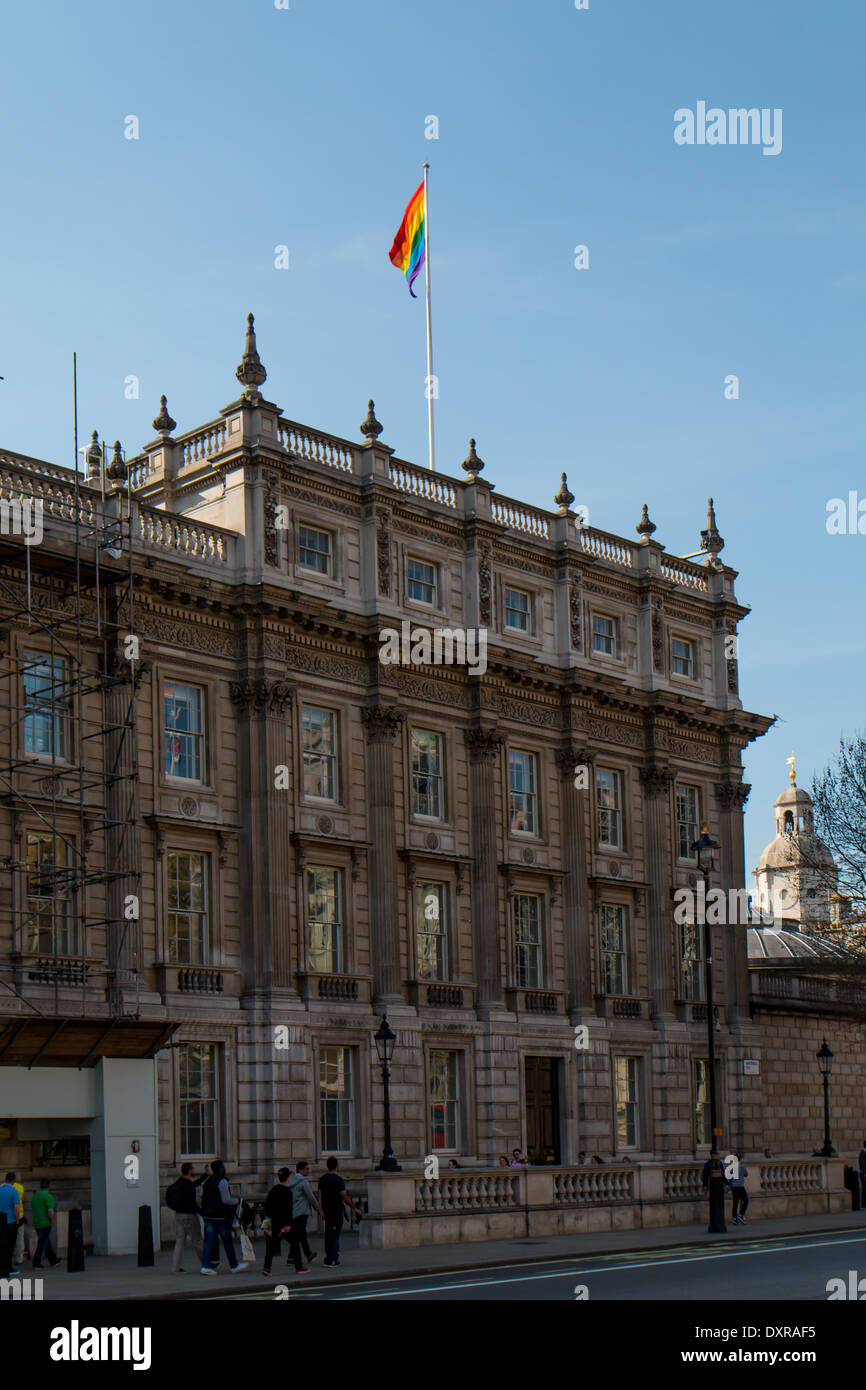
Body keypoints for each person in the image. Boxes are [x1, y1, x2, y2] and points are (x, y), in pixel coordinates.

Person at [199, 1160, 248, 1275]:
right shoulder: (222, 1181)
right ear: (221, 1169)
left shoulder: (207, 1181)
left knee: (208, 1242)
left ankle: (205, 1266)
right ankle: (234, 1265)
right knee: (227, 1241)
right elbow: (226, 1200)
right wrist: (237, 1201)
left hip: (208, 1215)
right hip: (220, 1216)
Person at [317, 1157, 361, 1267]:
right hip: (336, 1210)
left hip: (327, 1210)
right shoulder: (338, 1180)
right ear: (337, 1166)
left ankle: (328, 1257)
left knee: (328, 1234)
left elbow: (320, 1196)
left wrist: (321, 1210)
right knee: (335, 1235)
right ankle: (333, 1258)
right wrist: (354, 1207)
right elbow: (345, 1197)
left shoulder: (322, 1179)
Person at [167, 1163, 203, 1273]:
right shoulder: (190, 1185)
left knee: (179, 1241)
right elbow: (193, 1201)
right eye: (193, 1168)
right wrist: (201, 1211)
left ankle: (175, 1267)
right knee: (197, 1241)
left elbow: (195, 1183)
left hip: (179, 1214)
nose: (194, 1170)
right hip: (190, 1215)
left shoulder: (178, 1183)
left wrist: (205, 1176)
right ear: (189, 1171)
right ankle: (206, 1264)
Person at [262, 1167, 293, 1277]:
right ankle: (299, 1266)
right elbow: (289, 1210)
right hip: (283, 1224)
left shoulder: (273, 1190)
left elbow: (267, 1206)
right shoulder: (288, 1192)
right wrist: (288, 1224)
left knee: (271, 1247)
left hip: (274, 1222)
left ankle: (266, 1268)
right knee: (294, 1242)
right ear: (288, 1178)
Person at [287, 1161, 317, 1273]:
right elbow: (311, 1198)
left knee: (298, 1234)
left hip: (293, 1212)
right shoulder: (303, 1182)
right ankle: (303, 1256)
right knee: (299, 1235)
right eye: (307, 1169)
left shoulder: (291, 1181)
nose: (308, 1171)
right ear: (301, 1170)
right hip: (302, 1212)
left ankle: (294, 1256)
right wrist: (319, 1210)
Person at [31, 1179, 60, 1269]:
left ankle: (53, 1260)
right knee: (42, 1243)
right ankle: (36, 1262)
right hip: (45, 1222)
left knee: (46, 1242)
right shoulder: (48, 1197)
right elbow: (50, 1211)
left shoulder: (35, 1196)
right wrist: (52, 1221)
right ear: (48, 1186)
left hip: (37, 1222)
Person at [0, 1172, 20, 1277]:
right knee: (10, 1245)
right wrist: (17, 1220)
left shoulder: (0, 1189)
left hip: (0, 1221)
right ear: (13, 1180)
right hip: (10, 1221)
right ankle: (8, 1267)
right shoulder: (14, 1191)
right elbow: (16, 1208)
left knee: (1, 1245)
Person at [729, 1158, 749, 1224]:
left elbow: (730, 1176)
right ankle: (741, 1215)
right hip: (740, 1186)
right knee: (746, 1200)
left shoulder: (733, 1167)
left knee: (735, 1203)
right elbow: (746, 1174)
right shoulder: (741, 1167)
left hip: (734, 1187)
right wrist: (743, 1166)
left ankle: (734, 1219)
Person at [11, 1176, 25, 1269]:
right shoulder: (20, 1187)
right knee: (19, 1236)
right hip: (19, 1214)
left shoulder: (2, 1187)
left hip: (8, 1214)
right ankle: (19, 1258)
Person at [859, 1138, 866, 1208]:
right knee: (864, 1188)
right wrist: (864, 1173)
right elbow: (862, 1164)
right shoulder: (863, 1153)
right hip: (864, 1173)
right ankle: (864, 1203)